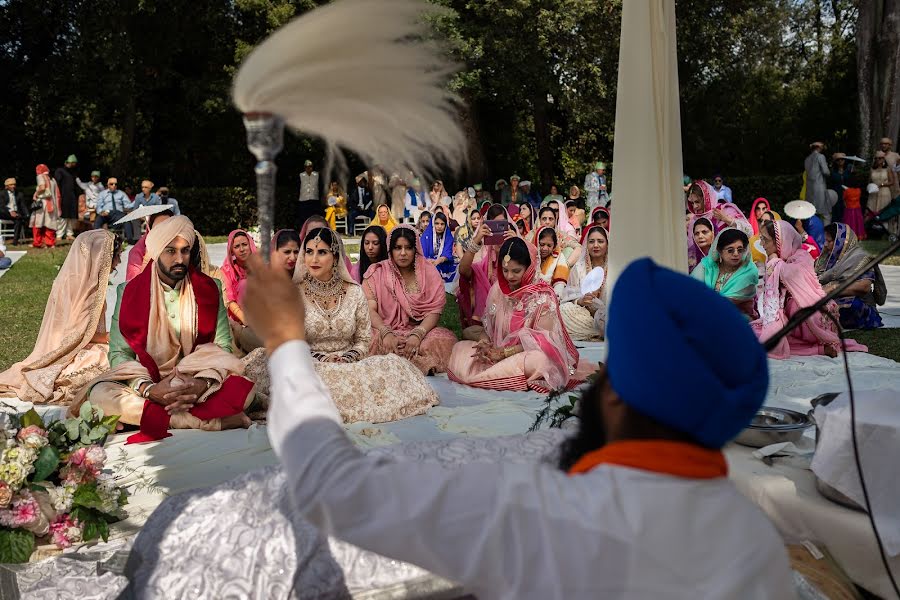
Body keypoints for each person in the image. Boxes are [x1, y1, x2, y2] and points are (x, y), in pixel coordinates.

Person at [221, 251, 796, 600]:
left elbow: (331, 487)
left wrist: (286, 341)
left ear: (616, 399)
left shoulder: (539, 510)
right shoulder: (759, 543)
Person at [74, 216, 255, 442]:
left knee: (245, 389)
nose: (180, 259)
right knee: (101, 395)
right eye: (171, 251)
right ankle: (203, 421)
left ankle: (161, 416)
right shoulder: (129, 291)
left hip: (195, 384)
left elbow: (222, 346)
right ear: (157, 251)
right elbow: (119, 353)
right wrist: (150, 390)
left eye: (185, 251)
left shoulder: (210, 288)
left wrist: (201, 384)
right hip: (148, 385)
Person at [243, 227, 439, 423]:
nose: (314, 259)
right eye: (309, 252)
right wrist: (322, 359)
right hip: (310, 364)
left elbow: (364, 339)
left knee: (391, 366)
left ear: (335, 257)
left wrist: (347, 357)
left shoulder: (354, 293)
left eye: (322, 252)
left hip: (349, 364)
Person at [448, 236, 591, 392]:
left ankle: (488, 376)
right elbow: (490, 329)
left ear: (529, 267)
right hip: (497, 353)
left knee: (540, 362)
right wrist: (485, 343)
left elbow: (543, 340)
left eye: (516, 271)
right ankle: (499, 376)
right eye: (505, 270)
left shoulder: (543, 294)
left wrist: (505, 353)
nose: (509, 276)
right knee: (460, 348)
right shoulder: (498, 290)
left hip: (526, 354)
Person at [0, 231, 122, 404]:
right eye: (117, 256)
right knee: (115, 361)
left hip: (64, 341)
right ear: (101, 256)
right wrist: (110, 337)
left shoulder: (74, 278)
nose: (119, 262)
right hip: (72, 347)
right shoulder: (87, 289)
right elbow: (78, 333)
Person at [751, 219, 866, 359]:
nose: (762, 244)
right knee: (751, 333)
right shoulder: (785, 259)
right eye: (761, 238)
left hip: (812, 320)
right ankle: (820, 348)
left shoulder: (800, 257)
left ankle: (818, 348)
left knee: (768, 340)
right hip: (798, 320)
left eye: (765, 239)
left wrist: (774, 261)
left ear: (780, 241)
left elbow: (789, 276)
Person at [364, 225, 457, 375]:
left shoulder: (429, 272)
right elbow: (369, 310)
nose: (402, 253)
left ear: (415, 249)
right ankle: (408, 360)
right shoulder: (377, 273)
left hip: (421, 331)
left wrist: (417, 335)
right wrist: (386, 333)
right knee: (368, 339)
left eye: (408, 248)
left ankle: (399, 359)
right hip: (384, 330)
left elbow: (434, 311)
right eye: (397, 248)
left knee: (444, 340)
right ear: (390, 250)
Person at [457, 204, 517, 338]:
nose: (498, 231)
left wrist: (515, 242)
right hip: (489, 319)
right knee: (468, 332)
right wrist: (477, 239)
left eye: (501, 225)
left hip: (515, 316)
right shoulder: (485, 260)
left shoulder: (517, 250)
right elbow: (463, 270)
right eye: (493, 226)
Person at [815, 223, 885, 330]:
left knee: (844, 305)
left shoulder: (861, 256)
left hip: (861, 306)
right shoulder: (831, 258)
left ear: (841, 242)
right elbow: (817, 277)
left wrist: (833, 288)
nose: (825, 244)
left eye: (829, 241)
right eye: (825, 240)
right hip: (836, 298)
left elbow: (864, 287)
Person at [691, 228, 758, 318]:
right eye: (730, 250)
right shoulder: (708, 265)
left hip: (739, 321)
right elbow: (691, 291)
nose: (736, 254)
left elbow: (723, 305)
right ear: (719, 251)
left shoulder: (748, 271)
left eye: (740, 250)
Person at [685, 180, 751, 271]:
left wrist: (726, 219)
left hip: (733, 269)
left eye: (697, 202)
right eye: (692, 203)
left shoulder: (724, 211)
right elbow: (691, 252)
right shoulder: (694, 220)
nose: (695, 207)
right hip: (706, 271)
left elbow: (749, 232)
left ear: (706, 198)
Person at [216, 229, 262, 353]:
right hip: (240, 320)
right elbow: (230, 301)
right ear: (231, 250)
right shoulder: (226, 270)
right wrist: (245, 320)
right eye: (237, 246)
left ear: (250, 245)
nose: (242, 249)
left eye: (244, 245)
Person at [560, 224, 609, 340]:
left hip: (608, 315)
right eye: (591, 241)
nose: (595, 245)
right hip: (584, 317)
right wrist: (581, 301)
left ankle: (600, 331)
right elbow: (568, 295)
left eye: (600, 241)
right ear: (586, 245)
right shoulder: (578, 267)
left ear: (607, 244)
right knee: (564, 310)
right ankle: (595, 332)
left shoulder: (614, 267)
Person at [125, 208, 175, 281]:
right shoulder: (137, 252)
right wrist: (147, 260)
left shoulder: (182, 248)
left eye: (167, 227)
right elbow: (133, 286)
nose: (163, 232)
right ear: (150, 229)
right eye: (158, 228)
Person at [30, 164, 60, 248]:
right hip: (52, 205)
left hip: (42, 204)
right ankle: (50, 243)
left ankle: (38, 243)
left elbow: (42, 187)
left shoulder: (40, 176)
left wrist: (36, 194)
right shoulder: (52, 179)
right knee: (49, 224)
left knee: (38, 223)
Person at [421, 211, 455, 283]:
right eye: (437, 223)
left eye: (442, 224)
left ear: (445, 225)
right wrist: (429, 261)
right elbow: (422, 254)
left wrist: (439, 260)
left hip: (443, 264)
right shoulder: (425, 236)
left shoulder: (448, 236)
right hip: (427, 263)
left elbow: (448, 253)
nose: (439, 226)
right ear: (433, 224)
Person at [536, 226, 569, 298]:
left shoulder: (559, 257)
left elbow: (559, 284)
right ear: (536, 242)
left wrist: (555, 298)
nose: (545, 248)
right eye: (541, 244)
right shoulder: (530, 255)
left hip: (550, 297)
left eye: (549, 245)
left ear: (554, 246)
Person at [804, 142, 832, 224]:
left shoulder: (807, 159)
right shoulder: (821, 157)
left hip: (810, 189)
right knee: (826, 213)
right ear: (819, 148)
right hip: (820, 187)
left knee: (812, 213)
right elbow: (826, 172)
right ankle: (826, 232)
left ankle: (812, 232)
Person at [54, 154, 79, 240]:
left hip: (72, 197)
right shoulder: (60, 171)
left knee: (71, 216)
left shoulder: (73, 172)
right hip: (63, 197)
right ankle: (59, 234)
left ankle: (69, 233)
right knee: (63, 217)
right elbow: (56, 184)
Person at [2, 177, 29, 245]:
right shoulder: (2, 194)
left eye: (14, 184)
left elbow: (23, 206)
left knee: (19, 219)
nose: (13, 186)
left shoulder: (19, 194)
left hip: (16, 213)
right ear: (7, 186)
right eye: (11, 185)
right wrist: (10, 211)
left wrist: (27, 215)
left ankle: (15, 241)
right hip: (4, 213)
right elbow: (1, 206)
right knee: (17, 216)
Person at [869, 150, 897, 216]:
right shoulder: (872, 169)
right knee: (871, 210)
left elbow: (892, 182)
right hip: (873, 192)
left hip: (884, 192)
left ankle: (883, 225)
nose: (878, 159)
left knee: (883, 212)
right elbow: (870, 181)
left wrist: (882, 184)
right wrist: (870, 186)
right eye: (876, 158)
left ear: (884, 159)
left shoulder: (887, 169)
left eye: (880, 158)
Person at [829, 152, 853, 223]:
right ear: (835, 161)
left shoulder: (849, 171)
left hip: (847, 194)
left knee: (847, 212)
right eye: (838, 160)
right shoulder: (832, 172)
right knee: (837, 212)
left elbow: (852, 183)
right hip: (836, 194)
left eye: (842, 159)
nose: (840, 161)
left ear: (845, 160)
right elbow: (830, 184)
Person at [297, 159, 321, 229]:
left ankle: (314, 229)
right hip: (303, 199)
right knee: (303, 217)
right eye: (307, 167)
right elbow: (297, 186)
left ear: (312, 167)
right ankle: (303, 231)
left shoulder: (316, 175)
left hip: (314, 198)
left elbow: (320, 186)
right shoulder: (301, 175)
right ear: (304, 167)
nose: (308, 168)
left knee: (314, 217)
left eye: (310, 166)